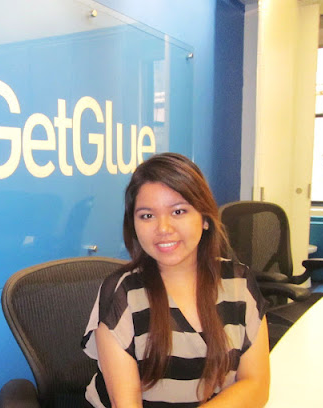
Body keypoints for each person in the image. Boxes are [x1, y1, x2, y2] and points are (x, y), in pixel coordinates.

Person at [81, 152, 270, 407]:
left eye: (178, 211)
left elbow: (255, 384)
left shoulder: (239, 283)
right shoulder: (122, 294)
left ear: (205, 218)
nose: (163, 229)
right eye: (147, 216)